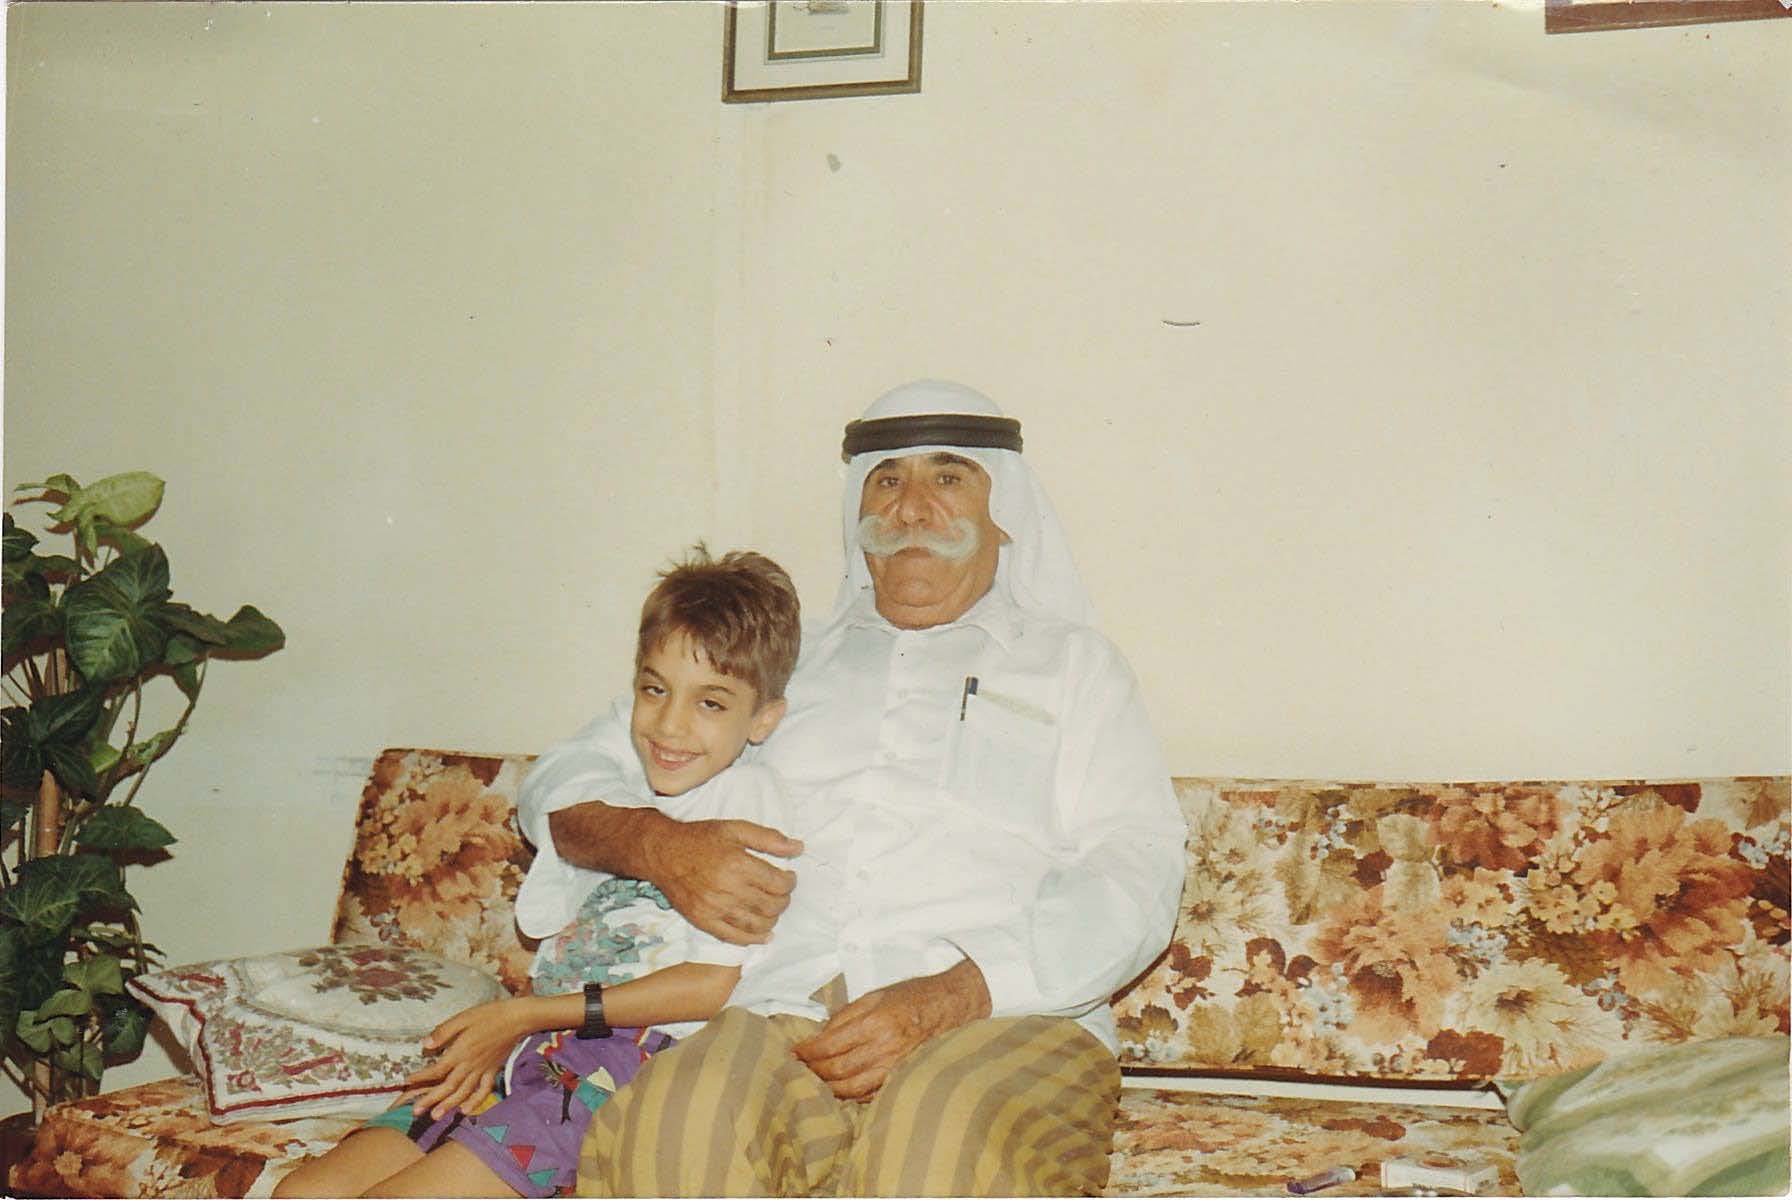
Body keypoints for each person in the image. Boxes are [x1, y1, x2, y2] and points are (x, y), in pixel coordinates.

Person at [518, 380, 1188, 1196]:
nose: (911, 508)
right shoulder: (779, 663)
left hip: (1007, 1012)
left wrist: (960, 991)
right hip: (787, 1006)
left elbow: (1136, 865)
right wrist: (658, 844)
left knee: (935, 1143)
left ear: (1003, 507)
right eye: (887, 479)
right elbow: (559, 780)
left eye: (948, 477)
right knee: (678, 1118)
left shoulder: (1074, 667)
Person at [274, 548, 803, 1199]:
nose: (670, 725)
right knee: (302, 1194)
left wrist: (525, 1014)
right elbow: (557, 784)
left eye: (711, 703)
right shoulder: (620, 777)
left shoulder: (747, 802)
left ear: (764, 719)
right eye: (655, 689)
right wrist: (522, 1025)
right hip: (529, 1047)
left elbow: (710, 986)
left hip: (620, 1062)